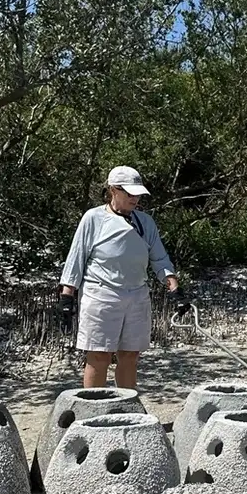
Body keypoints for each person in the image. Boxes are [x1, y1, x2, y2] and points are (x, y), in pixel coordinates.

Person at [59, 166, 186, 389]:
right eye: (129, 193)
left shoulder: (145, 222)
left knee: (130, 355)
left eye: (137, 193)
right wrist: (67, 297)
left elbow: (159, 259)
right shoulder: (94, 218)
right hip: (101, 293)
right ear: (113, 190)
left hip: (137, 294)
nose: (134, 198)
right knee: (99, 356)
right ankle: (93, 411)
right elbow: (76, 258)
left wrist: (175, 288)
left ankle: (127, 407)